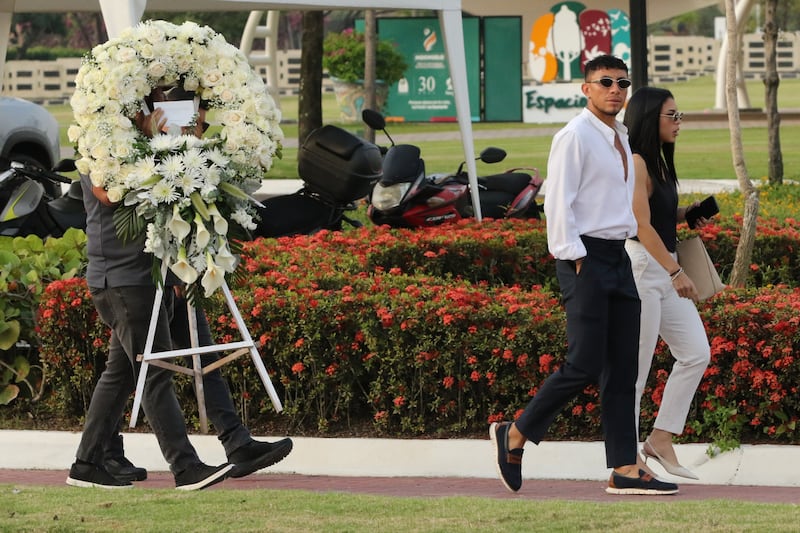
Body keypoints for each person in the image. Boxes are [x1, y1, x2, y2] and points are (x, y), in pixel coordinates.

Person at [488, 55, 678, 496]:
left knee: (622, 368)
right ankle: (515, 433)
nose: (616, 89)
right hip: (586, 258)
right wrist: (574, 256)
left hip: (618, 258)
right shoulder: (574, 136)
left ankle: (624, 468)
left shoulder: (620, 136)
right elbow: (558, 201)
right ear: (586, 88)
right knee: (585, 362)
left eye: (622, 82)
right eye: (606, 81)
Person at [96, 88, 293, 484]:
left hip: (164, 268)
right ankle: (172, 463)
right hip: (129, 276)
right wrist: (161, 146)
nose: (156, 113)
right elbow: (112, 195)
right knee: (142, 372)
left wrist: (190, 140)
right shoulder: (104, 149)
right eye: (150, 106)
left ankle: (235, 441)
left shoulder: (152, 143)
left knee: (149, 363)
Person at [623, 86, 711, 480]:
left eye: (680, 115)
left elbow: (657, 216)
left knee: (696, 352)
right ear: (648, 118)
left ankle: (660, 438)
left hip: (665, 266)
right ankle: (628, 456)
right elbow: (640, 226)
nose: (679, 123)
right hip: (645, 269)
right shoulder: (637, 161)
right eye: (671, 116)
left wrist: (684, 214)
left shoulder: (657, 161)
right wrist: (676, 273)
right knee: (636, 371)